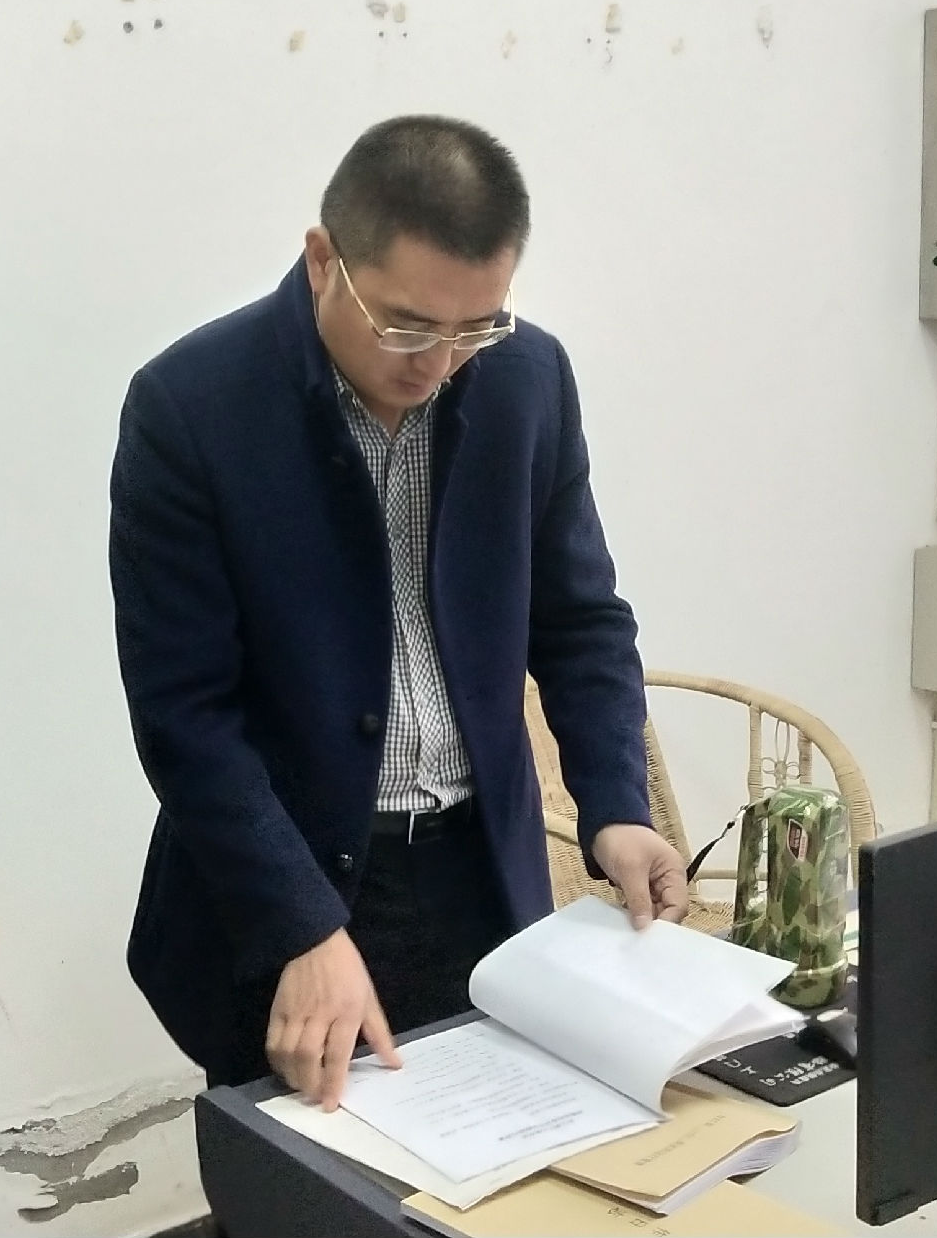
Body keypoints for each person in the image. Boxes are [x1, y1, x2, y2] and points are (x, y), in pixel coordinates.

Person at [109, 115, 686, 1106]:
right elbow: (184, 713)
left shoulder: (528, 380)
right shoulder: (192, 407)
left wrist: (616, 805)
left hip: (479, 872)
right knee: (304, 1170)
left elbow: (582, 621)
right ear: (322, 260)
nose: (439, 361)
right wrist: (300, 922)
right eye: (408, 325)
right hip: (284, 879)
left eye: (477, 326)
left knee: (500, 1155)